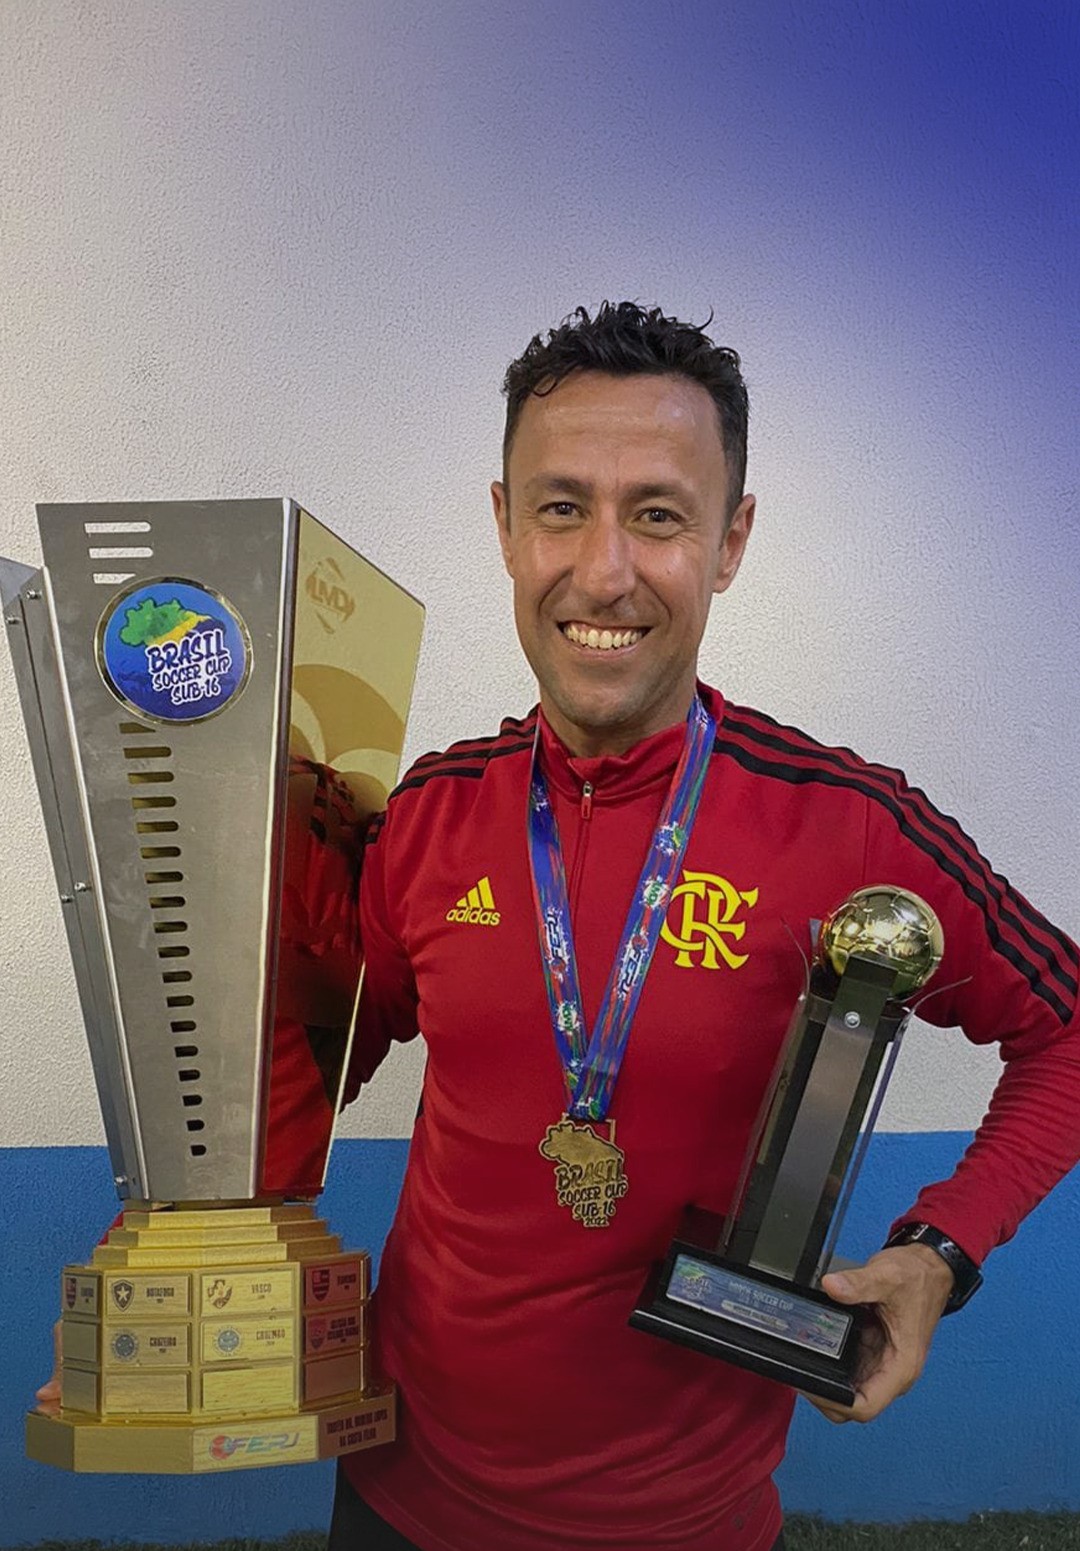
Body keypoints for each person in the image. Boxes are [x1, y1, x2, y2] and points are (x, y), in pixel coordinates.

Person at [38, 306, 1080, 1550]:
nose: (603, 572)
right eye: (561, 507)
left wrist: (940, 1250)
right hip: (399, 1498)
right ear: (504, 524)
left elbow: (1068, 1032)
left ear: (731, 540)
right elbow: (308, 1072)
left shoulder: (849, 827)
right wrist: (189, 1181)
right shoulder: (422, 816)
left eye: (659, 515)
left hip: (685, 1523)